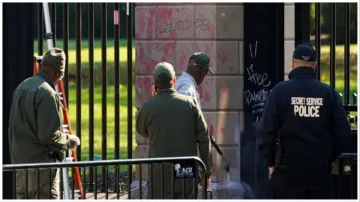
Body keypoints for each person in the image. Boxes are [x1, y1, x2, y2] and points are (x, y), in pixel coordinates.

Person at [256, 42, 351, 199]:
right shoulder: (328, 93)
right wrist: (329, 157)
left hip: (287, 171)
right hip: (320, 171)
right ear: (314, 66)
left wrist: (271, 162)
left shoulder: (280, 91)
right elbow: (343, 134)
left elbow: (266, 132)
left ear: (293, 63)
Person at [8, 47, 81, 199]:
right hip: (41, 169)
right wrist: (70, 140)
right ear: (56, 72)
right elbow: (49, 136)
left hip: (20, 166)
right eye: (60, 75)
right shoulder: (47, 92)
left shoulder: (22, 86)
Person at [136, 62, 213, 199]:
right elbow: (204, 137)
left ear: (155, 84)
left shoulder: (148, 107)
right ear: (174, 81)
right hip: (185, 172)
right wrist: (206, 169)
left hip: (159, 175)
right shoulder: (190, 103)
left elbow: (142, 131)